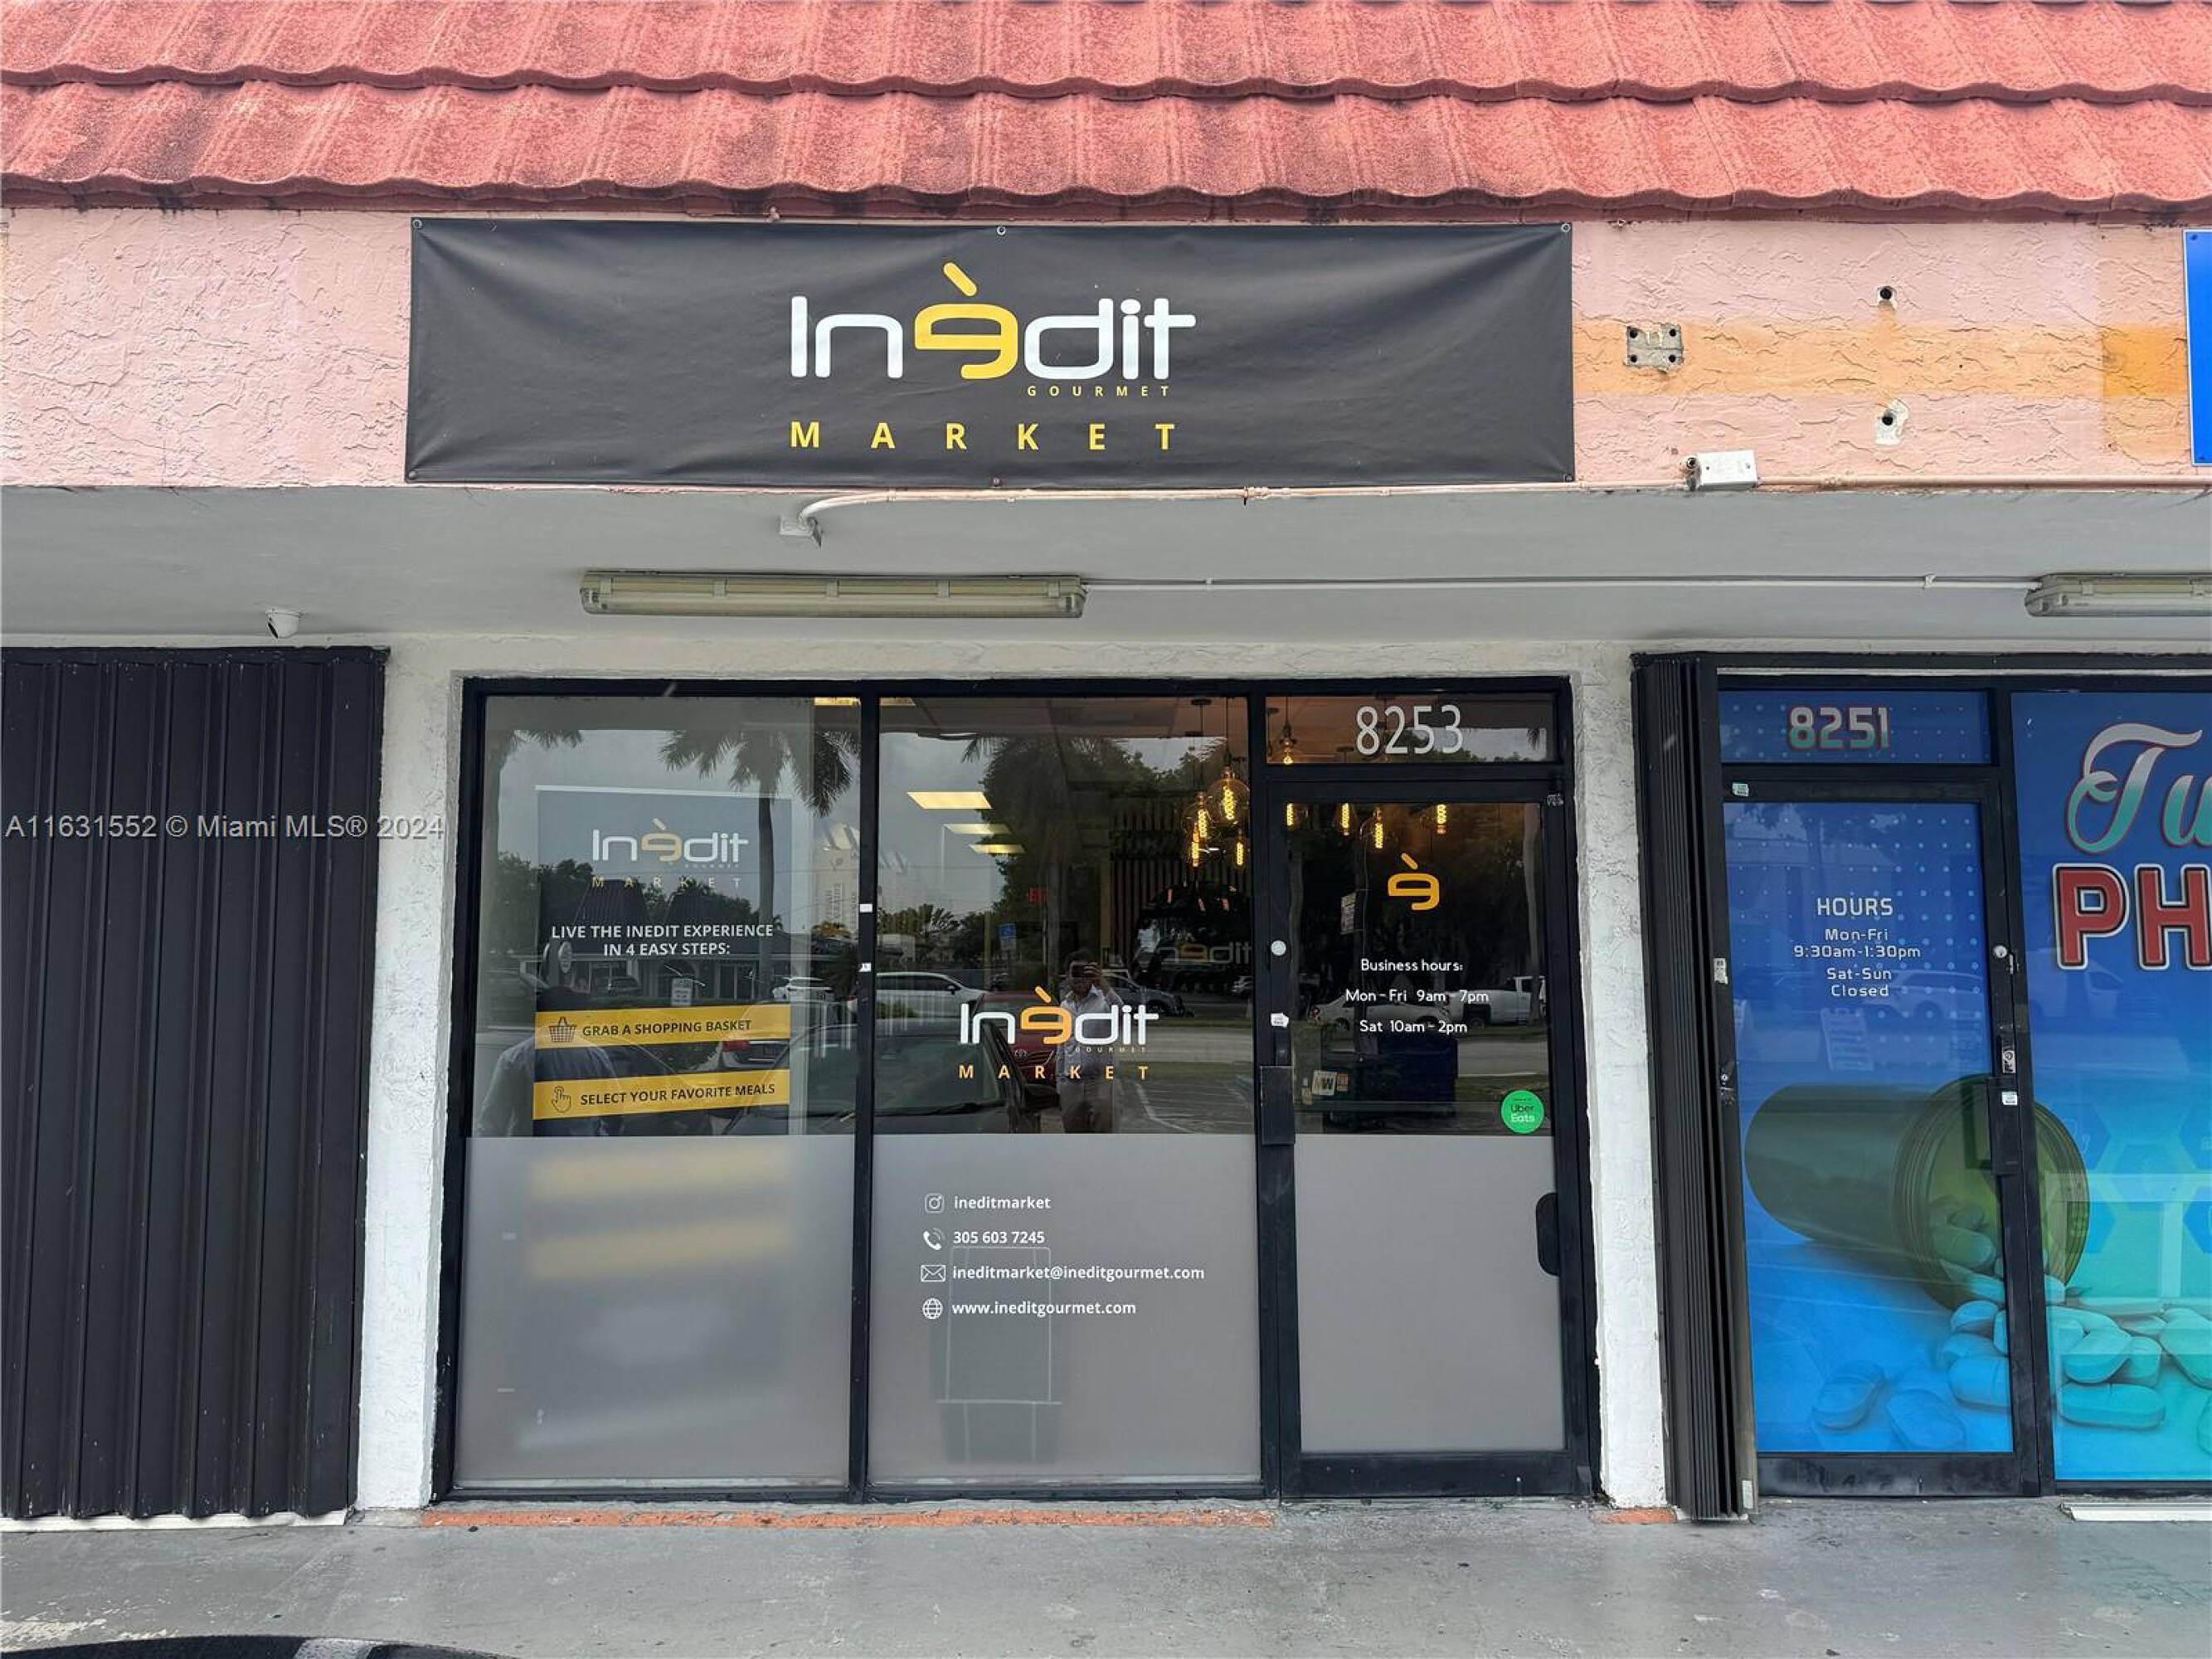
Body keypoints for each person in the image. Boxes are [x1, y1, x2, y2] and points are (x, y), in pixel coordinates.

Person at [1056, 955, 1124, 1134]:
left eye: (1085, 972)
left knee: (1104, 1137)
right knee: (1074, 1137)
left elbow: (1122, 1013)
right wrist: (1060, 1083)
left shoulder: (1104, 1001)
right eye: (1076, 972)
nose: (1080, 978)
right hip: (1071, 1084)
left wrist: (1103, 983)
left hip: (1101, 1082)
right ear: (1067, 976)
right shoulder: (1064, 1006)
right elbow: (1062, 1046)